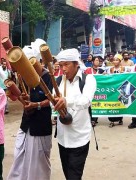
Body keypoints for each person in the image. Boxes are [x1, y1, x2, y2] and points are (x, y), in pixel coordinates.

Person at [7, 45, 53, 180]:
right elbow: (27, 97)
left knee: (38, 163)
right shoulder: (25, 76)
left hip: (40, 126)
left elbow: (51, 100)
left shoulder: (47, 76)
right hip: (26, 123)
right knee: (19, 156)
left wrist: (36, 104)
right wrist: (24, 98)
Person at [54, 49, 96, 179]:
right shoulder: (58, 81)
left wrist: (66, 101)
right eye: (61, 65)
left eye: (67, 65)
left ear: (76, 63)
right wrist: (55, 103)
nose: (63, 69)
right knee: (68, 175)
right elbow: (52, 103)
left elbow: (86, 100)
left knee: (74, 176)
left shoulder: (88, 79)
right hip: (62, 139)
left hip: (79, 138)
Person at [106, 54, 125, 127]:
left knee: (119, 104)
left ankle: (120, 119)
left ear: (120, 61)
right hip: (113, 90)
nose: (115, 61)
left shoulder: (123, 68)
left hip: (120, 90)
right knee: (112, 104)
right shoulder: (111, 69)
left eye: (117, 60)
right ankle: (112, 121)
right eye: (114, 60)